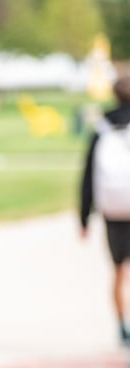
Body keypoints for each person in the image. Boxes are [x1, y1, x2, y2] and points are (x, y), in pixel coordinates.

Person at [80, 75, 130, 345]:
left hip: (113, 211)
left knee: (119, 272)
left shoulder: (103, 127)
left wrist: (84, 216)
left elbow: (88, 175)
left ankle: (123, 325)